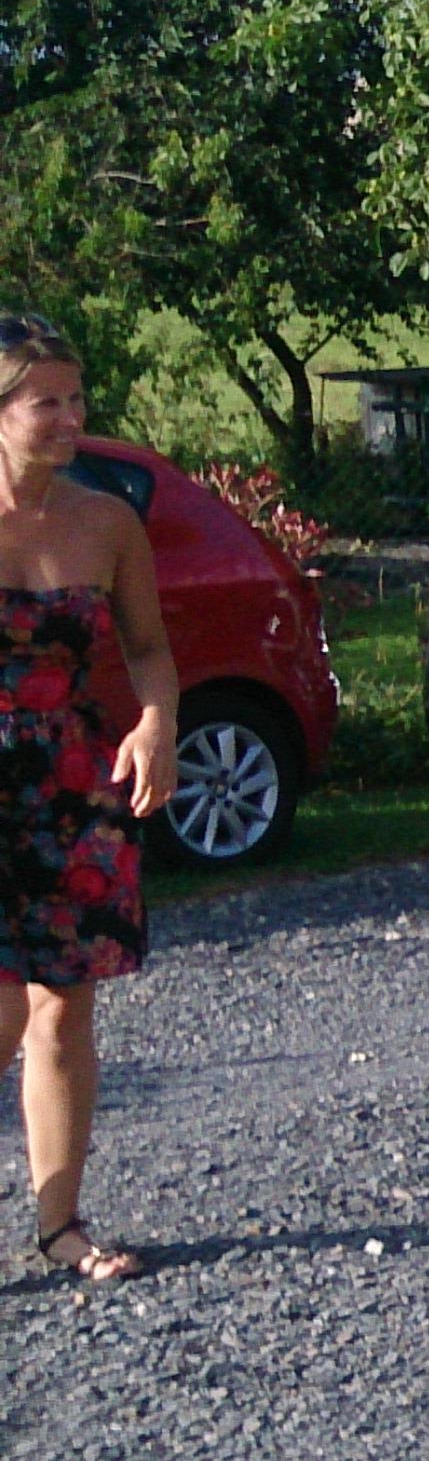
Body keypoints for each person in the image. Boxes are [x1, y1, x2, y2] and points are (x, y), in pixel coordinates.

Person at [0, 318, 175, 1282]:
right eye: (47, 402)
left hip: (66, 781)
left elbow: (148, 650)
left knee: (62, 1006)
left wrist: (156, 725)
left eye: (77, 398)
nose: (71, 418)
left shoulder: (106, 522)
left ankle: (60, 1228)